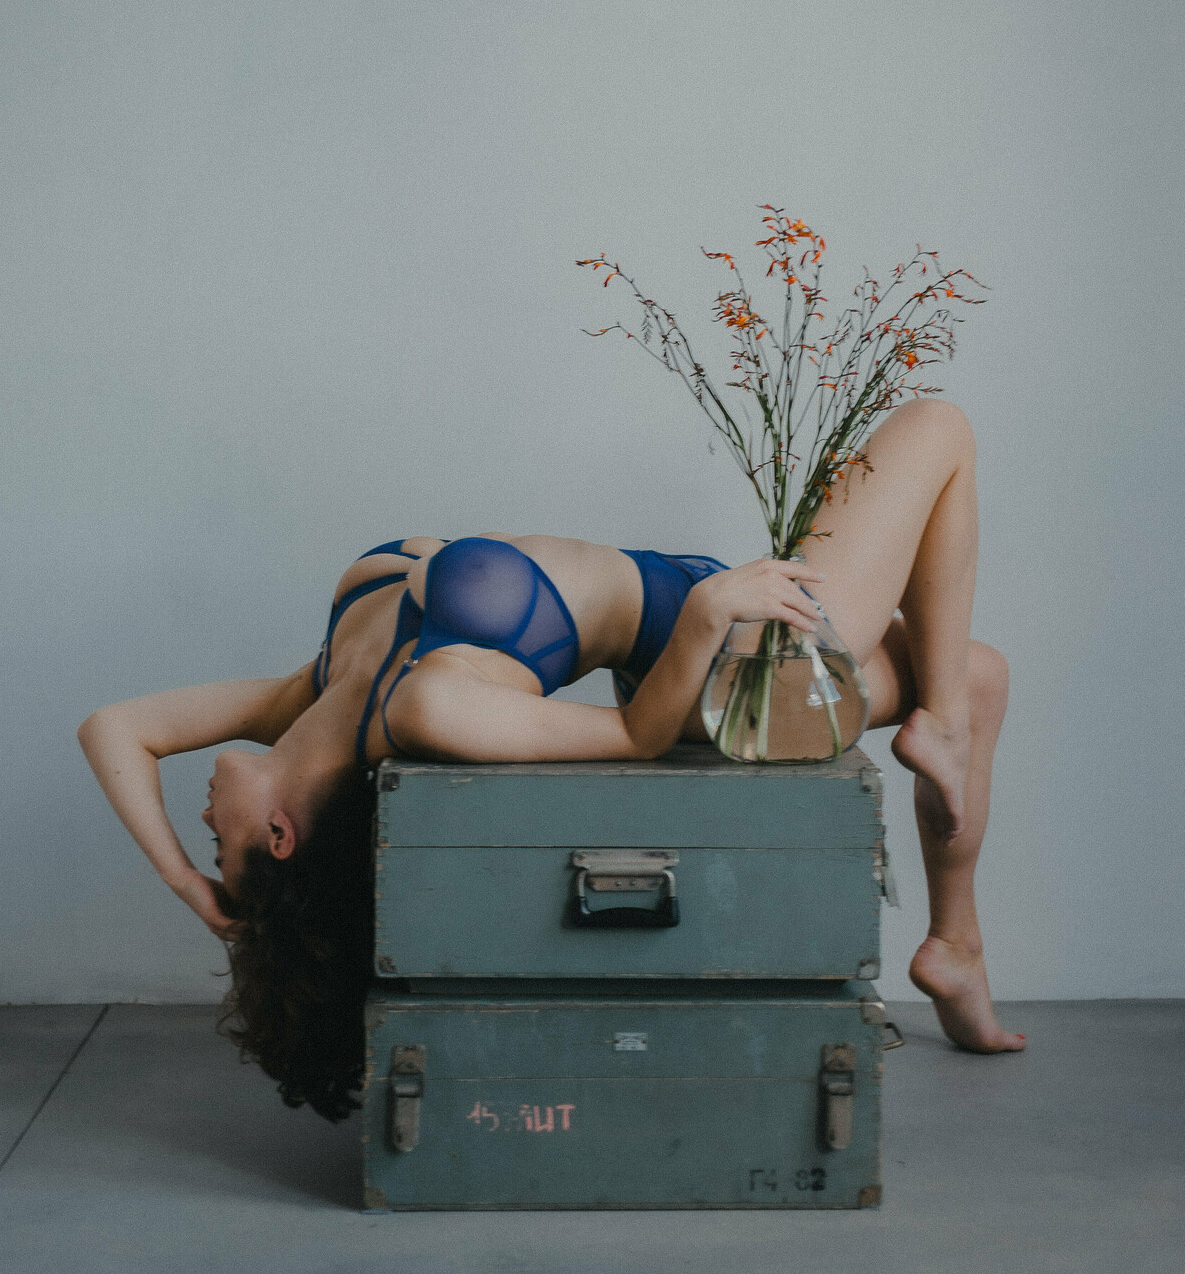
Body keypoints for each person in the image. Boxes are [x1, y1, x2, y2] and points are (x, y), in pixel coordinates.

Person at [77, 396, 1021, 1122]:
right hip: (721, 670)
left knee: (973, 674)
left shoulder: (312, 689)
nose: (202, 824)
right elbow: (635, 737)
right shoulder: (427, 708)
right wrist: (706, 615)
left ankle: (955, 947)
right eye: (221, 848)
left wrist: (186, 885)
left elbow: (114, 728)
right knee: (938, 429)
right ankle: (939, 755)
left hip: (690, 616)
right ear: (281, 834)